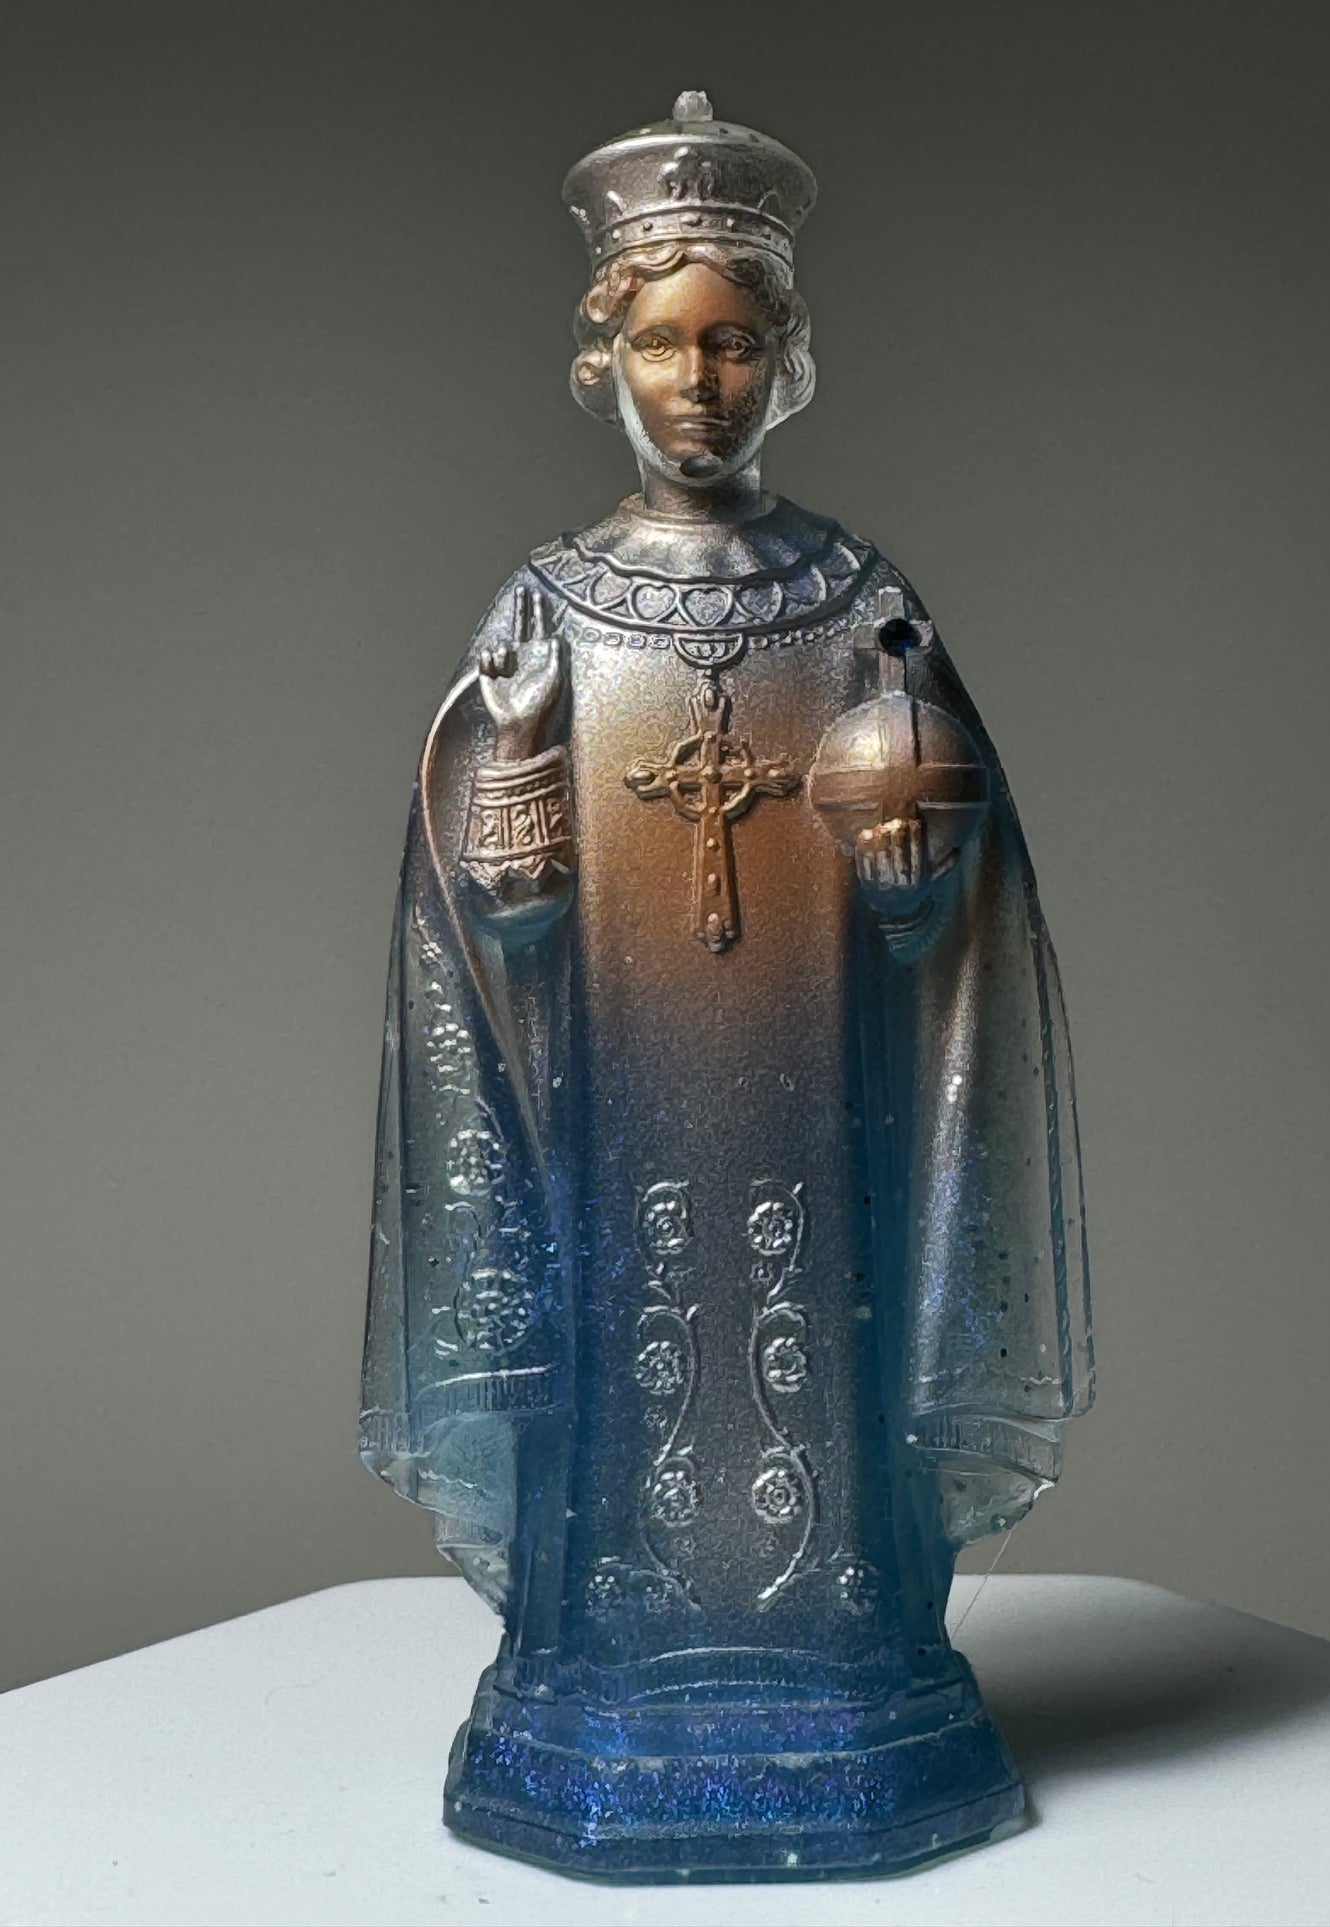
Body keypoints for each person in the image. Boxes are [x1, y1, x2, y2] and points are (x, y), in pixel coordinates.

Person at [361, 92, 1093, 1880]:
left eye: (734, 344)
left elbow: (958, 902)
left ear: (788, 360)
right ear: (598, 359)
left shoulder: (857, 604)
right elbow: (481, 916)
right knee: (623, 1368)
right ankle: (600, 1673)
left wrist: (918, 881)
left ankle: (845, 1670)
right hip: (610, 1101)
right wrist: (511, 784)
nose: (698, 383)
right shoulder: (546, 614)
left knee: (821, 1358)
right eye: (662, 344)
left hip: (819, 1101)